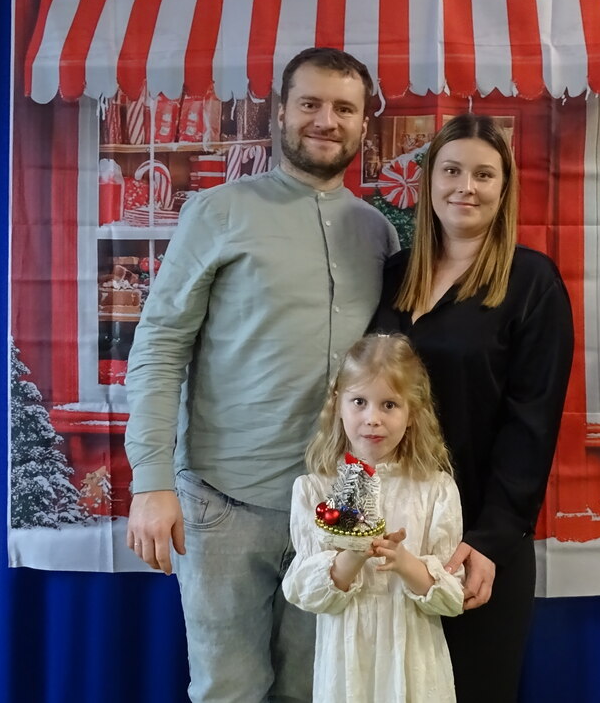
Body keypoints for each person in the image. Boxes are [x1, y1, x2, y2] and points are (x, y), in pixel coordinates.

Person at [123, 47, 399, 703]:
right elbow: (160, 343)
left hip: (337, 504)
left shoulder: (378, 233)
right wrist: (151, 480)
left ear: (363, 124)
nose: (326, 120)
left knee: (316, 689)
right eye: (310, 103)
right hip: (225, 502)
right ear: (280, 112)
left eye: (344, 108)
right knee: (230, 690)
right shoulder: (217, 212)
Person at [370, 114, 573, 701]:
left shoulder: (531, 282)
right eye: (452, 171)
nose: (466, 187)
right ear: (429, 180)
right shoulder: (392, 276)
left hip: (473, 539)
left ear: (504, 189)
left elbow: (532, 423)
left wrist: (491, 540)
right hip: (389, 535)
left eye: (484, 175)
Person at [282, 334, 464, 703]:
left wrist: (404, 562)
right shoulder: (314, 490)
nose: (372, 419)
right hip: (348, 668)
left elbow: (451, 599)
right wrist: (353, 554)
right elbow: (305, 593)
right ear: (338, 405)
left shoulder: (435, 490)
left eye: (389, 405)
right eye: (360, 402)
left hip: (414, 662)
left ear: (412, 413)